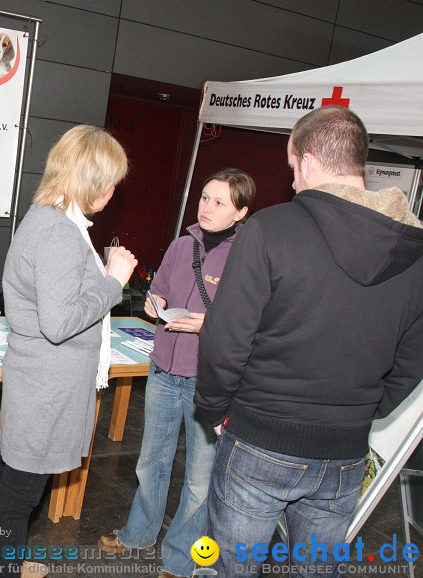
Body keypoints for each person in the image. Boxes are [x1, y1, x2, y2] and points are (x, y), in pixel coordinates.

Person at [195, 106, 423, 578]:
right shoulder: (414, 250)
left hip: (258, 440)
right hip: (344, 452)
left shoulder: (269, 229)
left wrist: (214, 409)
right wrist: (368, 409)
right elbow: (414, 355)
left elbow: (225, 339)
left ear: (311, 162)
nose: (293, 182)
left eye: (293, 167)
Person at [0, 125, 138, 578]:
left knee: (11, 476)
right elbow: (60, 323)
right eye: (110, 182)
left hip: (40, 378)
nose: (112, 191)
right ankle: (3, 570)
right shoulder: (59, 233)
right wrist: (113, 282)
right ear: (92, 183)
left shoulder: (49, 216)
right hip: (48, 384)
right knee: (21, 494)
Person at [98, 169, 256, 578]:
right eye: (204, 197)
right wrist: (156, 304)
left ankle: (181, 559)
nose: (206, 207)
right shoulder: (180, 245)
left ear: (241, 212)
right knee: (151, 462)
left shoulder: (249, 257)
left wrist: (209, 323)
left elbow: (253, 321)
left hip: (210, 380)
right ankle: (138, 533)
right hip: (164, 369)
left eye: (220, 202)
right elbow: (160, 290)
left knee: (200, 481)